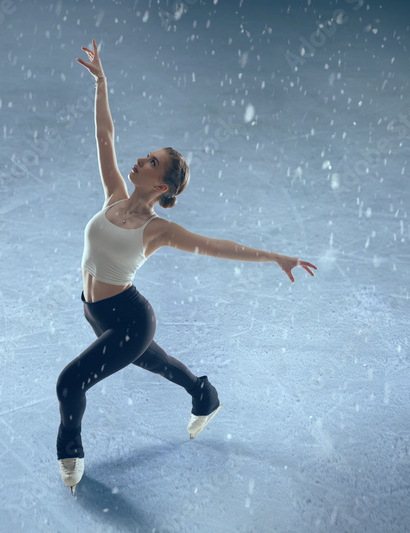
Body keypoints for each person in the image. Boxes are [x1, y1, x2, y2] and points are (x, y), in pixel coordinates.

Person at [56, 38, 318, 494]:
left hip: (129, 321)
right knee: (157, 366)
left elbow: (218, 246)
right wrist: (101, 82)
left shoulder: (158, 230)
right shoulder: (115, 194)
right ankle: (203, 393)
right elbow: (106, 137)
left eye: (151, 161)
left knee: (69, 383)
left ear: (162, 185)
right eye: (146, 155)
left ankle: (70, 453)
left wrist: (275, 256)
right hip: (94, 313)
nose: (140, 159)